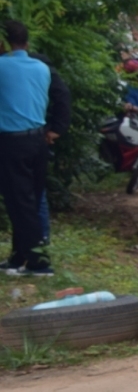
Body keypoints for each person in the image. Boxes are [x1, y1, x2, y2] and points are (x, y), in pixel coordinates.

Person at [0, 21, 54, 275]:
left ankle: (38, 261)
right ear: (27, 42)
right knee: (30, 201)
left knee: (18, 202)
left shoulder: (2, 67)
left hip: (12, 141)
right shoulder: (41, 68)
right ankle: (18, 257)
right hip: (38, 141)